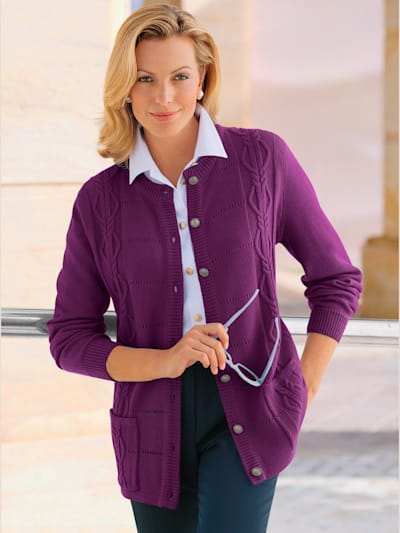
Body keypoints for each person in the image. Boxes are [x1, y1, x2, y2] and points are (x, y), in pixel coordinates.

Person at [47, 3, 362, 532]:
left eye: (179, 77)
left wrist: (302, 389)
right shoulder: (99, 201)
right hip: (148, 424)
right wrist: (165, 361)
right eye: (145, 79)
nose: (163, 96)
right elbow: (70, 337)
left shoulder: (262, 160)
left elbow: (336, 279)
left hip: (253, 404)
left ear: (202, 80)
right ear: (124, 88)